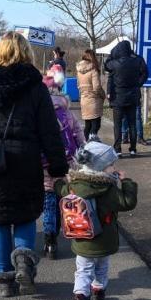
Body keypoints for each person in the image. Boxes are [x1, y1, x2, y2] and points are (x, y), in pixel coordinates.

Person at [0, 32, 68, 297]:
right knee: (25, 215)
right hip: (25, 159)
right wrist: (57, 166)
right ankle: (25, 265)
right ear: (25, 53)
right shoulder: (35, 85)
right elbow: (49, 130)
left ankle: (5, 278)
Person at [54, 141, 138, 300]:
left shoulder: (74, 186)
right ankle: (97, 298)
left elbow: (61, 190)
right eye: (111, 165)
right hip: (104, 241)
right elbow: (128, 202)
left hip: (81, 239)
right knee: (101, 268)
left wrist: (60, 182)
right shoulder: (108, 190)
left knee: (82, 271)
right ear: (101, 167)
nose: (113, 168)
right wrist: (126, 182)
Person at [41, 65, 85, 260]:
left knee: (48, 199)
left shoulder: (39, 112)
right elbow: (78, 134)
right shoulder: (67, 112)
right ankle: (63, 230)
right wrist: (82, 152)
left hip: (44, 163)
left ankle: (49, 239)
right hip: (66, 160)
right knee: (63, 198)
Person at [104, 40, 148, 157]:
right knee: (132, 123)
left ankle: (118, 149)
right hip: (133, 97)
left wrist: (112, 53)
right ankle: (133, 149)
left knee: (118, 124)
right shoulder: (137, 60)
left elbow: (106, 65)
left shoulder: (115, 63)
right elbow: (145, 73)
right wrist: (138, 84)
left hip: (118, 98)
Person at [76, 49, 104, 141]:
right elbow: (97, 87)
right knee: (96, 124)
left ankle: (85, 144)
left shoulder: (79, 70)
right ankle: (92, 143)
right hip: (93, 100)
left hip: (84, 99)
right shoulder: (93, 70)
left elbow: (78, 85)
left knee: (87, 125)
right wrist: (102, 95)